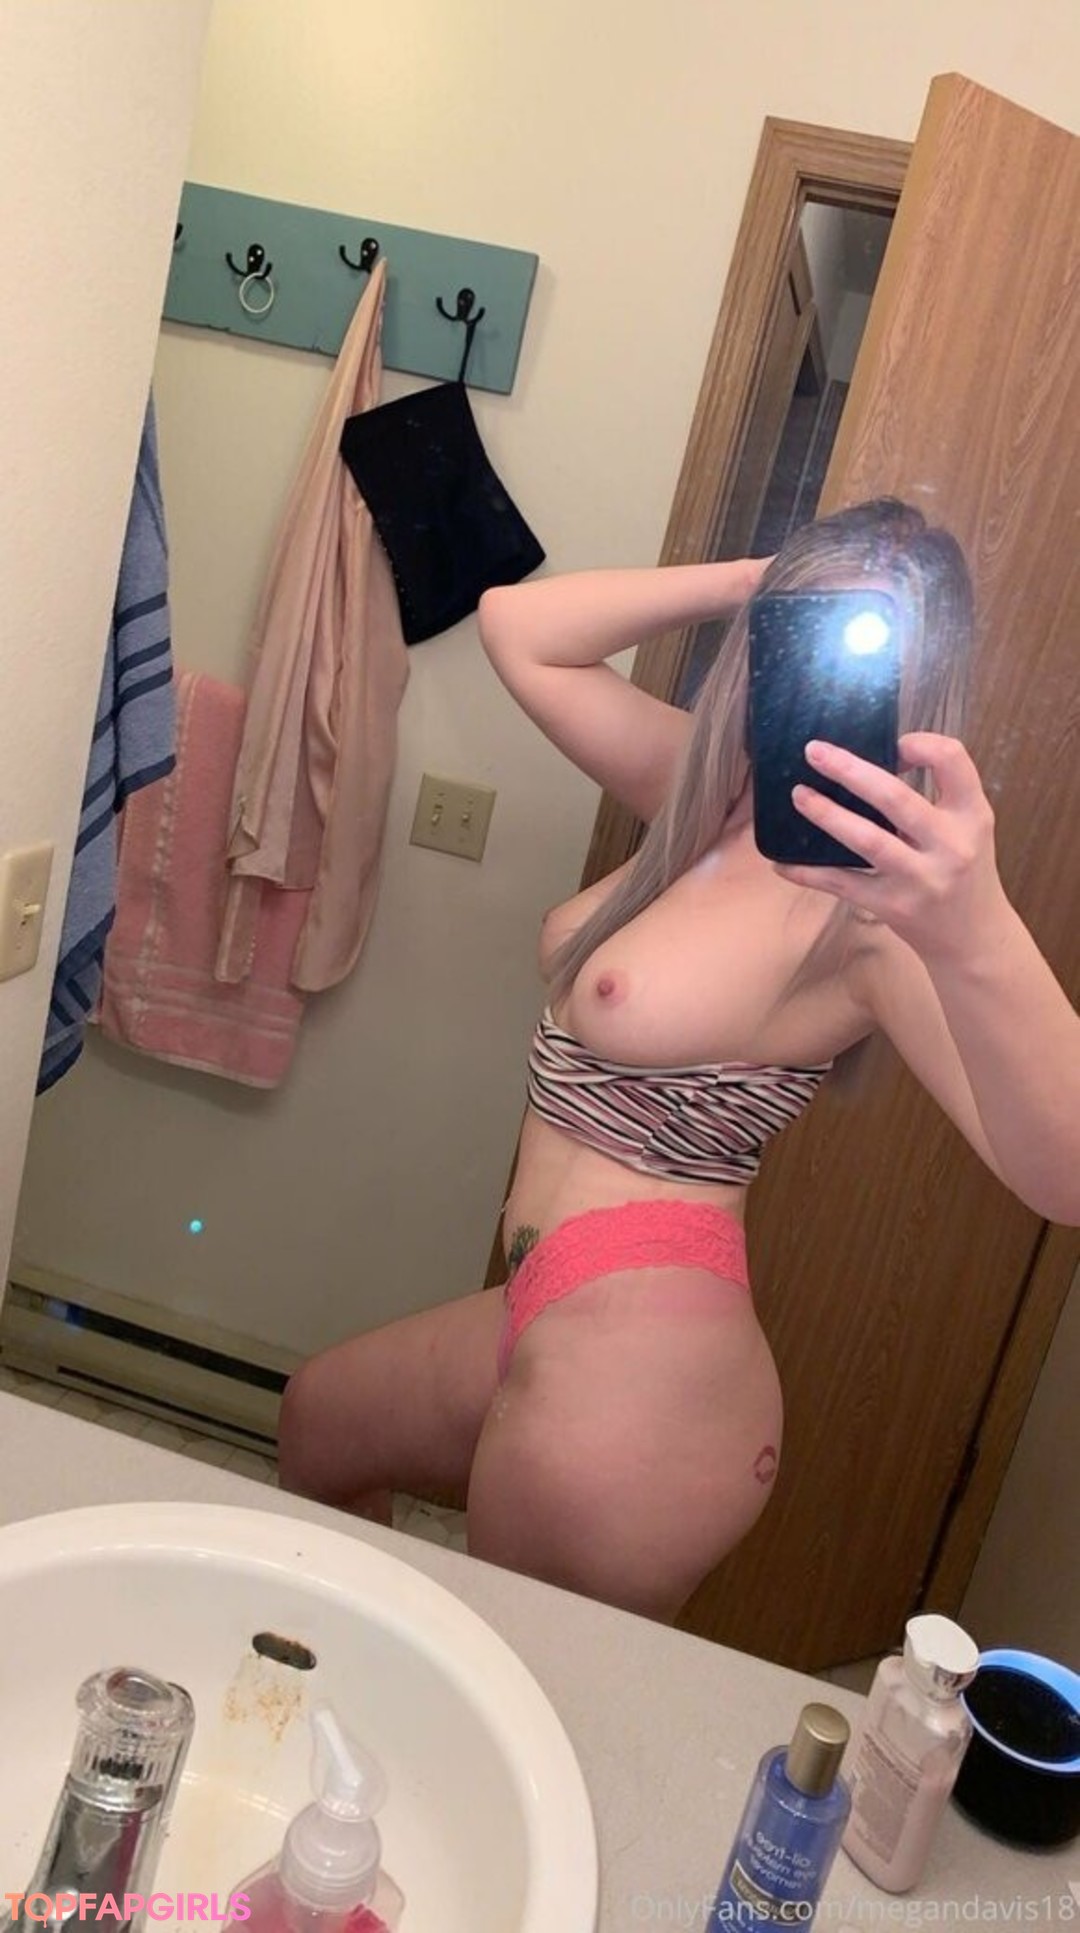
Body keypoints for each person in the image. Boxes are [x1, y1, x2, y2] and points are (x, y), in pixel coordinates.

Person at [278, 499, 1080, 1621]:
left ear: (923, 685)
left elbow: (1065, 1175)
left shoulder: (875, 912)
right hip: (537, 1305)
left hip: (649, 1367)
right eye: (803, 628)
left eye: (868, 643)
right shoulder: (702, 803)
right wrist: (756, 581)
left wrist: (974, 921)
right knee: (320, 1422)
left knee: (524, 1675)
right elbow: (519, 627)